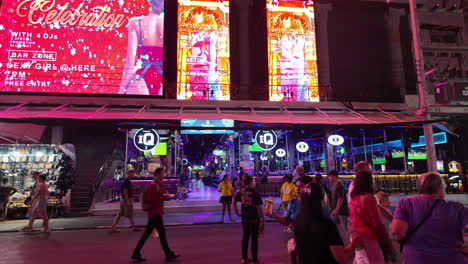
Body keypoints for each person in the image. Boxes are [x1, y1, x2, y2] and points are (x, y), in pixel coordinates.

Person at [390, 172, 468, 264]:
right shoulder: (457, 208)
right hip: (451, 259)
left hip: (416, 259)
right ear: (440, 190)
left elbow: (397, 232)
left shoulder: (406, 204)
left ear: (419, 188)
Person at [294, 182, 357, 264]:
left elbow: (299, 253)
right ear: (322, 198)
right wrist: (353, 246)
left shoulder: (298, 220)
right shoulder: (326, 224)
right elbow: (341, 258)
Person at [131, 168, 180, 262]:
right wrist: (165, 197)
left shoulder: (158, 184)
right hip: (155, 213)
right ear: (157, 175)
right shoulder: (153, 185)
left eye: (163, 174)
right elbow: (151, 198)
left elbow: (159, 196)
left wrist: (165, 197)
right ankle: (168, 253)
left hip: (156, 212)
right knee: (161, 233)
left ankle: (136, 253)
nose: (163, 175)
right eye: (162, 174)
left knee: (151, 234)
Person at [119, 0, 164, 95]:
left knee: (137, 109)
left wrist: (121, 89)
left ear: (150, 2)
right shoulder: (170, 24)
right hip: (164, 77)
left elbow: (130, 59)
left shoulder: (136, 22)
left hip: (141, 77)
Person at [349, 170, 395, 264]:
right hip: (369, 238)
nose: (374, 183)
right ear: (368, 182)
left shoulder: (354, 198)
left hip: (357, 237)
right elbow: (378, 222)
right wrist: (387, 241)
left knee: (361, 260)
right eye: (372, 180)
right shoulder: (369, 198)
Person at [267, 176, 313, 264]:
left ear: (308, 188)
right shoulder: (293, 202)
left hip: (311, 242)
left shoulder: (315, 203)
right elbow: (287, 221)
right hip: (295, 239)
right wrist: (274, 216)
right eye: (297, 186)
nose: (298, 189)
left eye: (301, 186)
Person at [233, 175, 265, 264]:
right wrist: (263, 219)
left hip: (245, 218)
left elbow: (234, 202)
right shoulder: (255, 192)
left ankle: (244, 258)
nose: (254, 182)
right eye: (254, 181)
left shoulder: (240, 191)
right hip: (254, 218)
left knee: (245, 237)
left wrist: (237, 212)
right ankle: (255, 260)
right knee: (254, 239)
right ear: (251, 181)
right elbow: (259, 208)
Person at [327, 170, 350, 246]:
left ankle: (350, 244)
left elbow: (341, 198)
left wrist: (336, 209)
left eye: (330, 176)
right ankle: (339, 243)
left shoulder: (340, 185)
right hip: (336, 211)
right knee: (332, 226)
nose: (328, 178)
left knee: (345, 228)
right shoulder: (335, 185)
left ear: (334, 176)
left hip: (341, 211)